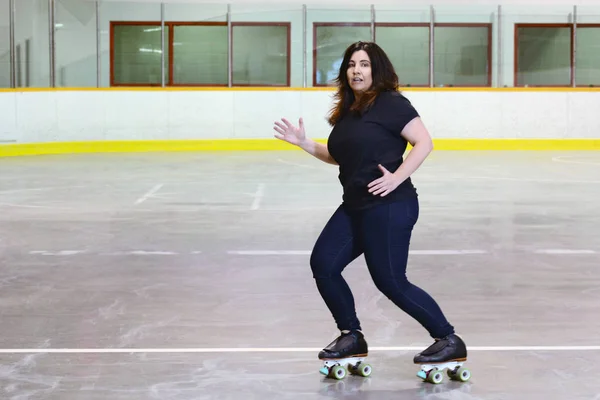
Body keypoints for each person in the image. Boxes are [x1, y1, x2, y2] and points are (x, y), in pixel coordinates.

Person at [272, 41, 467, 366]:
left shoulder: (392, 104)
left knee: (390, 280)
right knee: (324, 264)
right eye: (351, 64)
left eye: (363, 64)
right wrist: (305, 143)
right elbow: (339, 156)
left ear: (376, 70)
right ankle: (352, 335)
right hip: (356, 205)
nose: (356, 70)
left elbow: (424, 142)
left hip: (390, 206)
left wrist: (396, 177)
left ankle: (448, 338)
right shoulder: (348, 111)